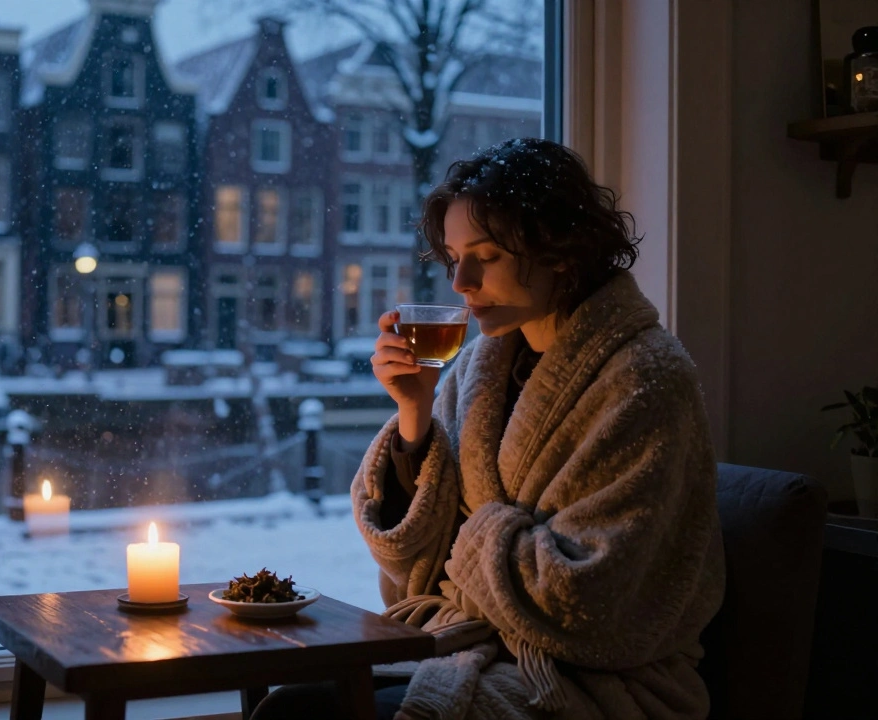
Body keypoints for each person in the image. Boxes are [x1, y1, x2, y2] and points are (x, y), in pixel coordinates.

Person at [250, 138, 724, 720]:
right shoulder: (478, 366)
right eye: (453, 258)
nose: (461, 282)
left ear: (560, 250)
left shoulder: (647, 378)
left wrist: (475, 530)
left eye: (488, 256)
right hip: (472, 642)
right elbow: (413, 567)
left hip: (588, 681)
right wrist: (414, 412)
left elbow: (591, 601)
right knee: (288, 707)